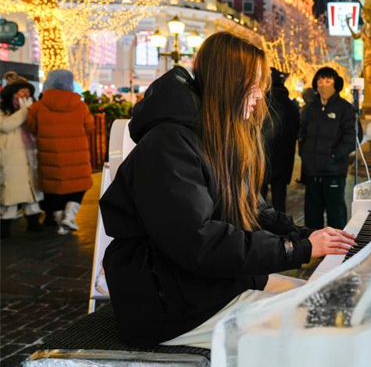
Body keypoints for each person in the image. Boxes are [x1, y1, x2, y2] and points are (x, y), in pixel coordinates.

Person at [99, 32, 355, 349]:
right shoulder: (168, 144)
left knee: (325, 301)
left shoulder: (214, 136)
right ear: (229, 83)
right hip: (170, 305)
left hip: (205, 284)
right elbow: (198, 242)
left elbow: (255, 211)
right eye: (255, 83)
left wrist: (307, 236)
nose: (261, 95)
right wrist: (295, 249)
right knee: (319, 323)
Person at [27, 69, 94, 235]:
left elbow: (32, 128)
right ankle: (69, 215)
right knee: (79, 185)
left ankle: (59, 220)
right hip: (77, 155)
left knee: (53, 188)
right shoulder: (80, 105)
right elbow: (90, 127)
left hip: (49, 155)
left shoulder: (38, 106)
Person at [299, 67, 356, 230]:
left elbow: (352, 138)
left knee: (336, 215)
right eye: (320, 81)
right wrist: (304, 153)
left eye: (328, 81)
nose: (323, 85)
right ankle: (313, 250)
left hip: (333, 173)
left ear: (335, 84)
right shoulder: (310, 108)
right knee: (312, 216)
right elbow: (302, 133)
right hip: (312, 172)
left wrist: (333, 156)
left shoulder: (345, 108)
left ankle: (337, 251)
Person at [0, 72, 43, 238]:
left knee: (32, 188)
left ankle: (33, 221)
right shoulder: (4, 108)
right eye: (21, 91)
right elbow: (5, 126)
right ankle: (4, 225)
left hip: (29, 152)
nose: (25, 94)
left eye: (27, 91)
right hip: (10, 155)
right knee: (10, 189)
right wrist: (25, 111)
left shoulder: (31, 108)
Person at [261, 68, 300, 213]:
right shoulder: (291, 106)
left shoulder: (262, 104)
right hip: (284, 161)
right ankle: (280, 230)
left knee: (260, 203)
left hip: (263, 160)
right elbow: (297, 131)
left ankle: (260, 231)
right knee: (279, 202)